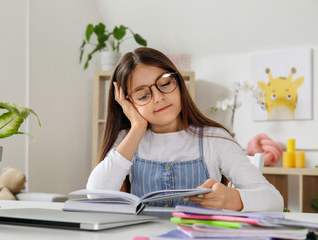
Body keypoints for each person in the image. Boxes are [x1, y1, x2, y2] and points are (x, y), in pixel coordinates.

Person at [86, 47, 283, 212]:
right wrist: (137, 127)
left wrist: (232, 198)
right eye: (142, 95)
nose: (158, 97)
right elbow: (96, 196)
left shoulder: (213, 139)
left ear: (178, 82)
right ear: (128, 103)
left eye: (164, 84)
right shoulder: (127, 141)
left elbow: (274, 200)